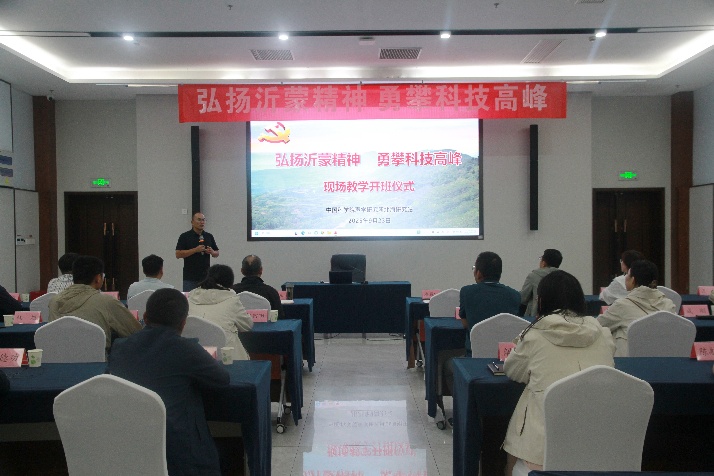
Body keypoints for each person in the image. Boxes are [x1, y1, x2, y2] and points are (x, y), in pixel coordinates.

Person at [503, 270, 616, 476]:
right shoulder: (603, 333)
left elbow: (513, 370)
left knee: (512, 456)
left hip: (544, 456)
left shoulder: (534, 336)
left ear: (541, 301)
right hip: (600, 450)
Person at [109, 288, 230, 476]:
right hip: (178, 453)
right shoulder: (186, 349)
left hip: (127, 445)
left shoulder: (119, 348)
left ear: (145, 317)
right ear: (183, 323)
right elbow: (222, 379)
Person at [48, 255, 141, 352]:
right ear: (98, 278)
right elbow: (135, 333)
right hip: (97, 359)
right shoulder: (107, 301)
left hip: (59, 357)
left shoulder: (54, 301)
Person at [597, 259, 676, 357]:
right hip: (663, 359)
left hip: (628, 362)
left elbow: (597, 326)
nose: (625, 277)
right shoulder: (669, 305)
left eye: (627, 275)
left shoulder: (622, 305)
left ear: (633, 280)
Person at [459, 251, 521, 356]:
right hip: (506, 357)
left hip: (475, 356)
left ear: (478, 273)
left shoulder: (467, 292)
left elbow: (465, 324)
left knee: (448, 362)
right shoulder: (515, 295)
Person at [187, 264, 253, 361]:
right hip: (227, 359)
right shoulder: (232, 300)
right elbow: (247, 325)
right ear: (230, 282)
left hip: (194, 356)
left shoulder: (190, 299)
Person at [175, 212, 219, 292]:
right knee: (190, 298)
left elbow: (217, 253)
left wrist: (212, 252)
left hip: (206, 277)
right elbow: (178, 254)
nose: (202, 222)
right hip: (190, 277)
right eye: (199, 220)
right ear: (192, 222)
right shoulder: (185, 236)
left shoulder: (209, 236)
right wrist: (195, 250)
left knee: (206, 298)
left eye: (203, 220)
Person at [232, 254, 284, 319]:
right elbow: (280, 318)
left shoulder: (232, 292)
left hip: (238, 326)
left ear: (242, 271)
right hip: (266, 326)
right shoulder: (271, 292)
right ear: (261, 270)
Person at [519, 248, 562, 317]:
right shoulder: (563, 278)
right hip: (558, 317)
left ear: (544, 263)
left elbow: (523, 298)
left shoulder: (534, 276)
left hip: (536, 317)